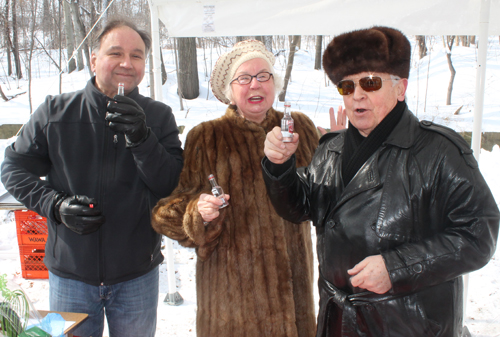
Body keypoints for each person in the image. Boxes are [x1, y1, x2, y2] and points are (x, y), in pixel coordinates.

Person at [261, 26, 499, 337]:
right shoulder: (331, 149)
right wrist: (280, 166)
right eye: (347, 86)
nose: (357, 94)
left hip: (407, 325)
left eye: (370, 83)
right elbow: (298, 205)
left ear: (400, 89)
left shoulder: (439, 152)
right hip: (339, 323)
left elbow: (479, 234)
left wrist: (397, 267)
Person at [1, 19, 183, 337]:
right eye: (116, 53)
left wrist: (142, 138)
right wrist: (55, 205)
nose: (127, 63)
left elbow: (171, 184)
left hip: (137, 276)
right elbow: (13, 169)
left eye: (137, 55)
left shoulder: (158, 116)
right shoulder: (55, 112)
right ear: (93, 59)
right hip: (70, 277)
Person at [151, 39, 319, 337]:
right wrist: (198, 212)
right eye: (244, 78)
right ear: (230, 91)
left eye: (263, 76)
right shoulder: (207, 137)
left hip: (294, 300)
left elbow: (328, 195)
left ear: (274, 83)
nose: (255, 84)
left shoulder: (300, 129)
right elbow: (165, 214)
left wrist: (342, 147)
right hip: (232, 308)